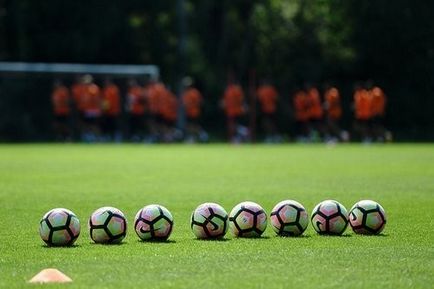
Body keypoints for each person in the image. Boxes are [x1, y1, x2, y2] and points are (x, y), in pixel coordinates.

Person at [81, 75, 102, 142]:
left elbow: (96, 100)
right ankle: (89, 137)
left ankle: (97, 138)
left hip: (93, 111)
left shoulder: (93, 88)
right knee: (87, 125)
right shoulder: (84, 88)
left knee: (94, 125)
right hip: (87, 110)